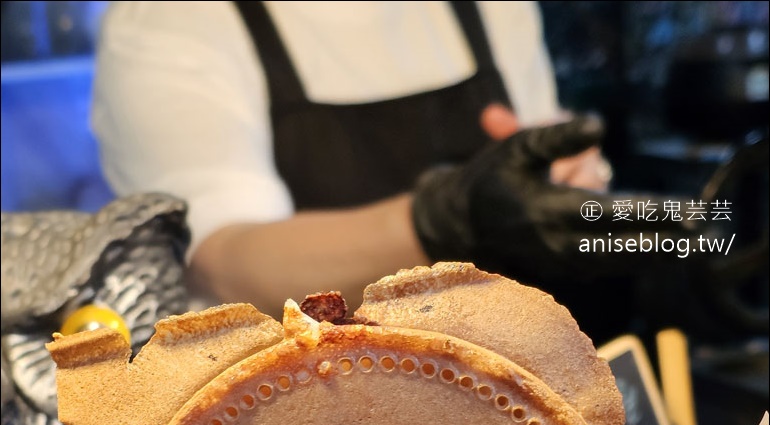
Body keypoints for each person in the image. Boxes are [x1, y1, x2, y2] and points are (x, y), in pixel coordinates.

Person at [91, 0, 638, 320]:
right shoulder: (167, 19)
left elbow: (544, 162)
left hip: (513, 380)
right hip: (312, 420)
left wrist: (582, 188)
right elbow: (226, 264)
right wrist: (441, 221)